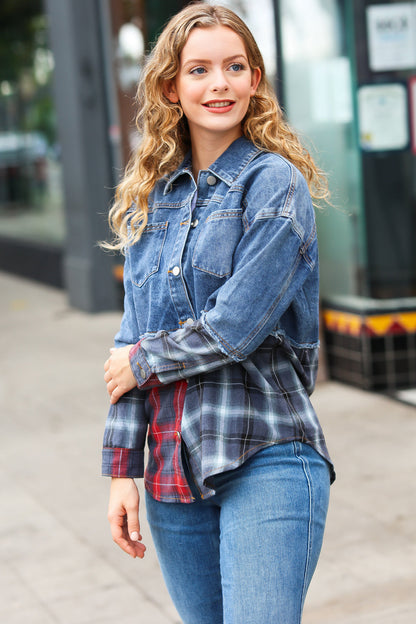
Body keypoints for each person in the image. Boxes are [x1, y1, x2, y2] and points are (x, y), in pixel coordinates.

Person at [102, 4, 335, 623]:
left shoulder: (274, 185)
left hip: (267, 454)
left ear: (255, 80)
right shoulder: (152, 201)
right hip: (172, 475)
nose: (219, 83)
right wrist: (122, 471)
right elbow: (127, 342)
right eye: (199, 69)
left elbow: (234, 327)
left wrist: (144, 360)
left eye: (235, 67)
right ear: (170, 88)